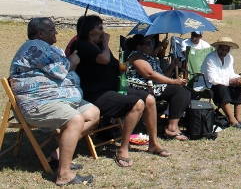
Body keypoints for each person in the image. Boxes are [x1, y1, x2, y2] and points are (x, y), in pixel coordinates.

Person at [10, 18, 98, 186]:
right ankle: (64, 175)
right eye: (52, 29)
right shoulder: (35, 47)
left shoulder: (46, 48)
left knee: (93, 113)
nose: (56, 32)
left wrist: (69, 60)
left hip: (57, 99)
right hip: (37, 103)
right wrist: (72, 61)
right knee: (75, 120)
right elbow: (60, 70)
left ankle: (60, 153)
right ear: (40, 33)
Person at [72, 15, 169, 166]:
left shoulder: (98, 46)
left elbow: (112, 62)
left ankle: (153, 143)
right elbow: (104, 59)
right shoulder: (81, 45)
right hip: (96, 94)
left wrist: (122, 67)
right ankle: (123, 148)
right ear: (90, 31)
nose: (103, 31)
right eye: (100, 28)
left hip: (113, 88)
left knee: (149, 99)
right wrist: (105, 43)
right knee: (137, 104)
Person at [126, 34, 191, 141]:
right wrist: (173, 81)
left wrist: (172, 66)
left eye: (151, 43)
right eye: (148, 44)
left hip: (154, 85)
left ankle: (172, 124)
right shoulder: (137, 56)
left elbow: (161, 76)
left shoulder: (148, 57)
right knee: (178, 90)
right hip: (142, 88)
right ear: (139, 46)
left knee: (186, 92)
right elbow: (149, 75)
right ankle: (171, 128)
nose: (150, 46)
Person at [201, 36, 241, 129]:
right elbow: (212, 79)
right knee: (221, 87)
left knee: (237, 86)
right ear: (217, 48)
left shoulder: (229, 58)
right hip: (209, 84)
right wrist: (230, 82)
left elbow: (230, 73)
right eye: (222, 49)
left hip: (224, 81)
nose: (224, 52)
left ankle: (238, 118)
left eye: (226, 50)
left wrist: (238, 79)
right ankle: (231, 119)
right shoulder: (210, 58)